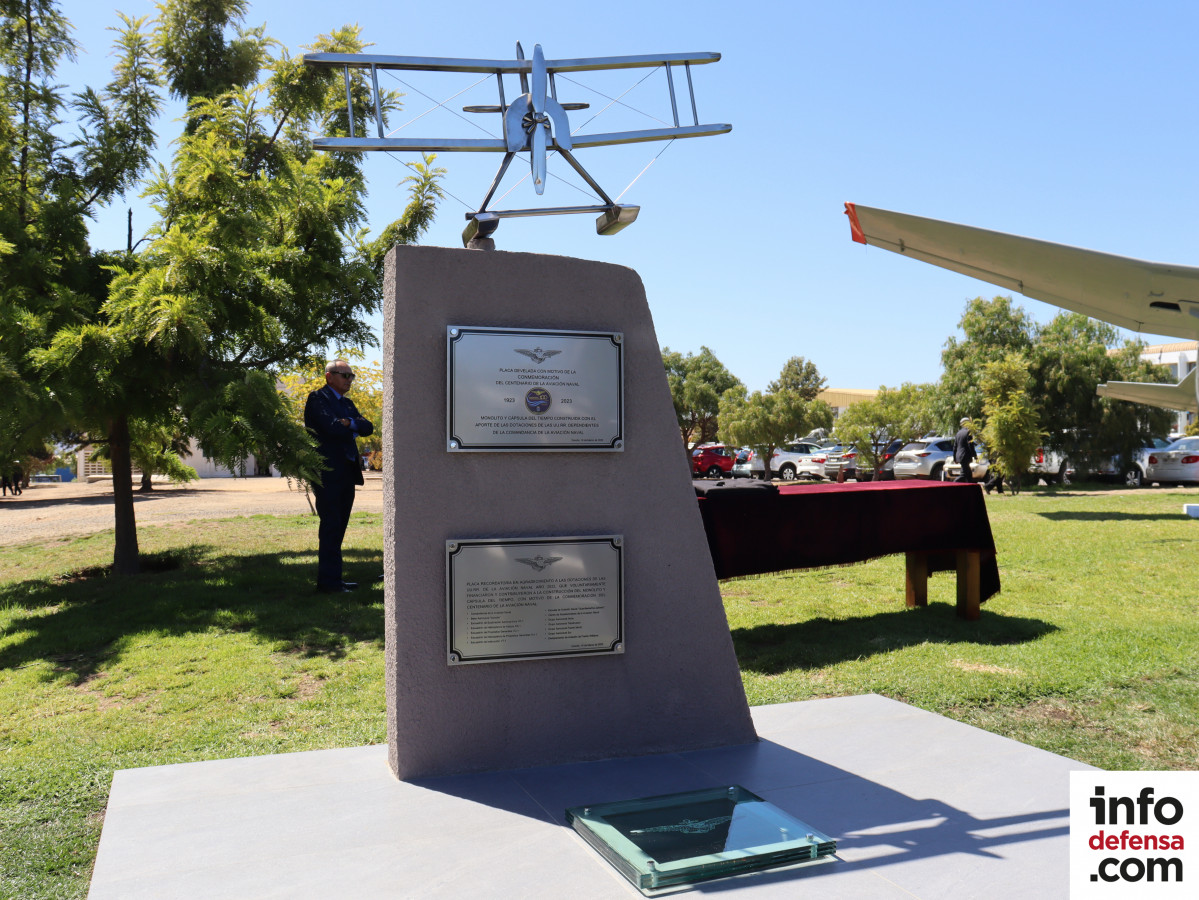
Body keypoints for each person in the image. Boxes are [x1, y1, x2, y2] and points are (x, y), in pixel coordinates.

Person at [305, 360, 374, 593]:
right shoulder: (317, 399)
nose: (348, 379)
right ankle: (328, 583)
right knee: (331, 527)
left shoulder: (347, 404)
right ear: (329, 376)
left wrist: (350, 422)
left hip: (347, 472)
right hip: (327, 472)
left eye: (351, 376)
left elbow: (368, 427)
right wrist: (347, 425)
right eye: (343, 375)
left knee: (339, 527)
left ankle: (335, 579)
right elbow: (331, 428)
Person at [953, 417, 977, 483]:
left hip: (960, 456)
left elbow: (955, 447)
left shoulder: (958, 433)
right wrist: (974, 455)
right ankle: (953, 483)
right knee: (964, 474)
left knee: (968, 474)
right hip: (965, 456)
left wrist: (954, 458)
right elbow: (970, 445)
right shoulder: (968, 432)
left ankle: (970, 488)